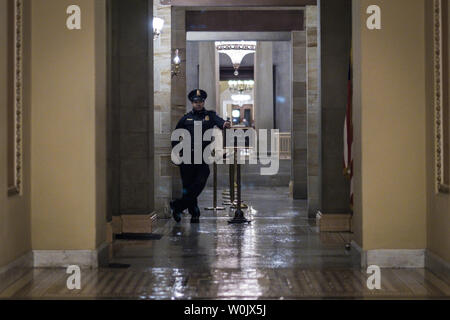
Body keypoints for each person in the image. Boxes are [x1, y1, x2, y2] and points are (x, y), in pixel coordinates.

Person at [170, 89, 231, 223]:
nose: (198, 104)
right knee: (188, 186)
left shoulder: (210, 115)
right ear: (192, 103)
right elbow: (175, 135)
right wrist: (176, 152)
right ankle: (194, 213)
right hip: (187, 156)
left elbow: (220, 122)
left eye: (200, 102)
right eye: (195, 102)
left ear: (204, 102)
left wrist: (225, 124)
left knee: (200, 182)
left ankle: (178, 206)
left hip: (202, 156)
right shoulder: (185, 118)